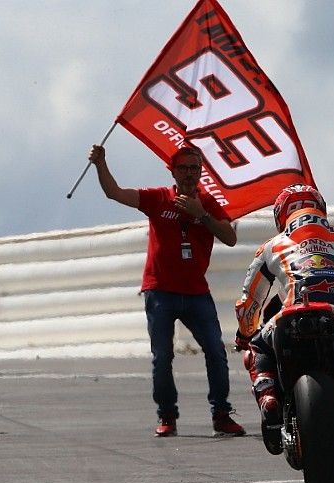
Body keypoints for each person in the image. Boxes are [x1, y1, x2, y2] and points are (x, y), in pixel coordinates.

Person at [88, 144, 245, 438]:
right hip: (161, 291)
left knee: (215, 351)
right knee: (162, 357)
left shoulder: (207, 203)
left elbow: (231, 238)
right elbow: (115, 193)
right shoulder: (158, 198)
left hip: (197, 292)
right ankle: (167, 415)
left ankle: (221, 414)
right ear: (172, 172)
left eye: (194, 168)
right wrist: (101, 164)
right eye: (183, 168)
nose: (188, 173)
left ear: (201, 172)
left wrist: (202, 216)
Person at [234, 184, 334, 453]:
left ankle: (268, 396)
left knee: (257, 349)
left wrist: (245, 335)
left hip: (291, 314)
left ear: (280, 216)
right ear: (321, 209)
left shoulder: (271, 247)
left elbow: (248, 305)